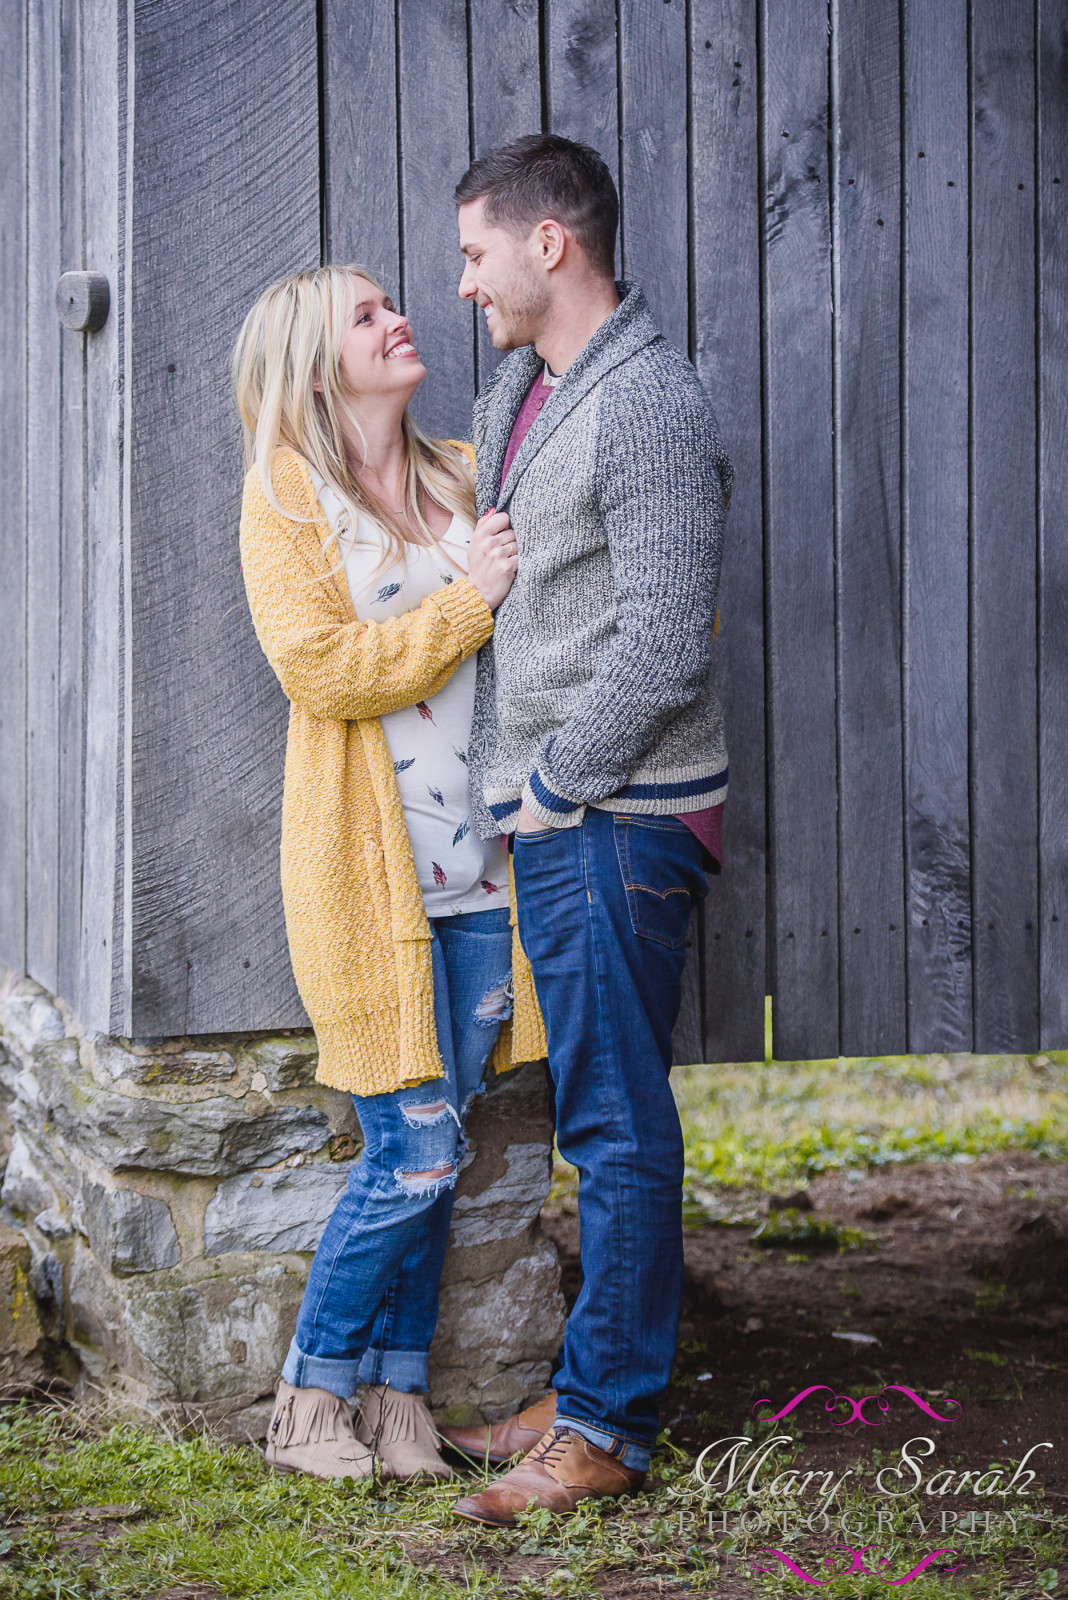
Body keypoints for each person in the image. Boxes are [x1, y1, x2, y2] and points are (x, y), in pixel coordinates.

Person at [440, 135, 732, 1523]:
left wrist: (553, 786)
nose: (465, 283)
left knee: (618, 1126)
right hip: (561, 816)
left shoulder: (651, 404)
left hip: (619, 817)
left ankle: (607, 1428)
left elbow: (668, 640)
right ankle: (590, 1381)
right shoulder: (523, 390)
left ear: (549, 244)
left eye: (475, 252)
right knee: (589, 1113)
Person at [233, 264, 546, 1482]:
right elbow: (320, 669)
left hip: (482, 882)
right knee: (411, 1148)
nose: (396, 317)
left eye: (387, 303)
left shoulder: (462, 473)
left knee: (449, 1145)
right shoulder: (287, 496)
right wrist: (470, 605)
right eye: (364, 315)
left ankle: (401, 1405)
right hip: (375, 884)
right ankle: (310, 1402)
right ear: (319, 363)